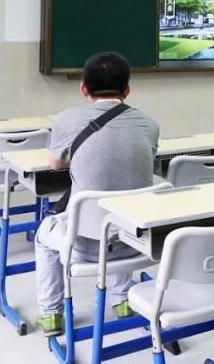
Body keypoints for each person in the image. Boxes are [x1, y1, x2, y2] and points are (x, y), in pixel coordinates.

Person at [35, 52, 160, 337]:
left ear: (83, 89)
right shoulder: (150, 123)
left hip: (84, 245)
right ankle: (121, 301)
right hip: (138, 242)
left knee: (44, 236)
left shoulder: (68, 119)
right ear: (127, 90)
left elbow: (54, 165)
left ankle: (52, 314)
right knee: (122, 206)